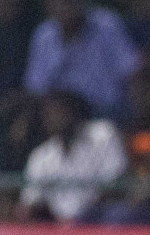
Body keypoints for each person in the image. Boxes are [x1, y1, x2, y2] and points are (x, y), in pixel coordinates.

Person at [22, 0, 141, 121]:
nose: (66, 9)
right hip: (63, 116)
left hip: (105, 111)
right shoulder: (45, 34)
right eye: (59, 3)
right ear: (49, 7)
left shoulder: (106, 24)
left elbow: (131, 68)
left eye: (69, 1)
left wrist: (136, 111)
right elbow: (36, 87)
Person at [15, 91, 127, 223]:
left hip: (100, 218)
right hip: (60, 228)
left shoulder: (103, 134)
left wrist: (81, 220)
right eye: (48, 113)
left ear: (73, 112)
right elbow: (30, 201)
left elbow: (116, 183)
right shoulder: (41, 155)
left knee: (120, 214)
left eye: (59, 110)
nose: (54, 117)